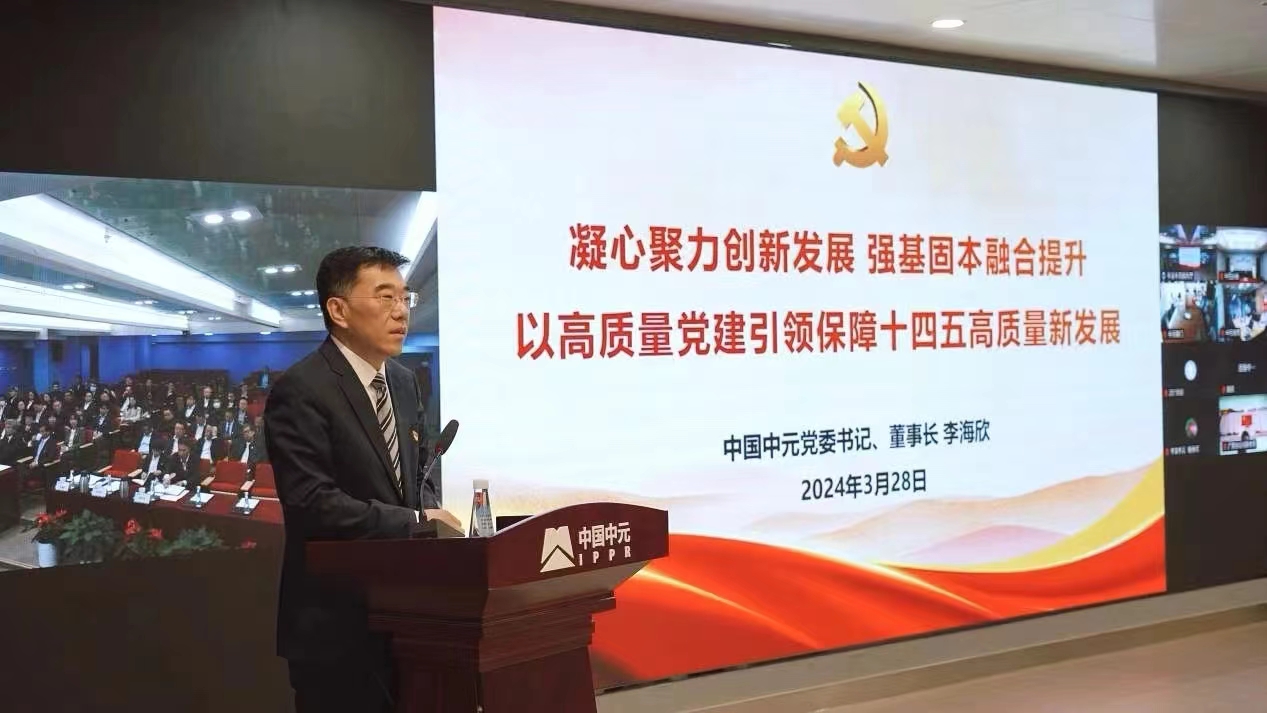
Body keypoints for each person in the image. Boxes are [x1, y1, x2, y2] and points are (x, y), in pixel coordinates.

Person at [265, 246, 461, 713]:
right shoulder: (302, 389)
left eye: (405, 297)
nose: (401, 311)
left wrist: (427, 507)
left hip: (408, 615)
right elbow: (312, 503)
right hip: (336, 624)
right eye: (385, 296)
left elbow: (417, 473)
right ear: (338, 310)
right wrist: (414, 522)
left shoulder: (404, 381)